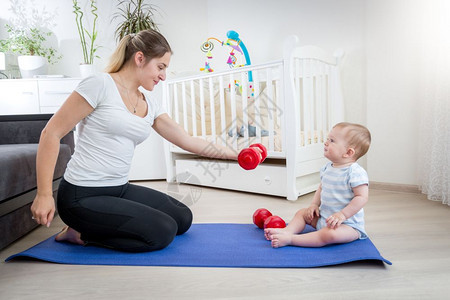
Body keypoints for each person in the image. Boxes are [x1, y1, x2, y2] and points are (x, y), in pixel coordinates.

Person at [30, 30, 238, 252]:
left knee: (183, 218)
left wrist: (236, 154)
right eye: (160, 67)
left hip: (119, 188)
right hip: (81, 195)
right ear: (140, 59)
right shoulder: (99, 85)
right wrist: (43, 194)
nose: (163, 76)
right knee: (163, 232)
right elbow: (50, 133)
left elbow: (186, 140)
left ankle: (90, 229)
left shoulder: (149, 102)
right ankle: (81, 233)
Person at [265, 122, 371, 248]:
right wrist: (314, 205)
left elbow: (361, 197)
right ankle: (287, 231)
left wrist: (342, 215)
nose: (326, 142)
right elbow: (321, 188)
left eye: (332, 141)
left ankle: (291, 239)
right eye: (327, 139)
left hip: (347, 225)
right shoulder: (327, 168)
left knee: (328, 235)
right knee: (301, 213)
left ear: (348, 152)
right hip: (324, 219)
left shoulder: (355, 172)